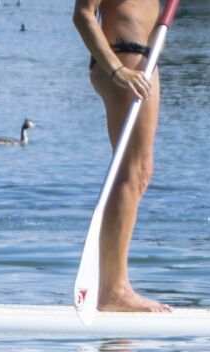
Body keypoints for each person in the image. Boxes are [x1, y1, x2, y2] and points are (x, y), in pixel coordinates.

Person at [72, 0, 172, 313]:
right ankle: (114, 289)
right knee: (133, 173)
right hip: (124, 62)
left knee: (135, 173)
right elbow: (83, 14)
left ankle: (114, 286)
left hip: (141, 59)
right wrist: (116, 71)